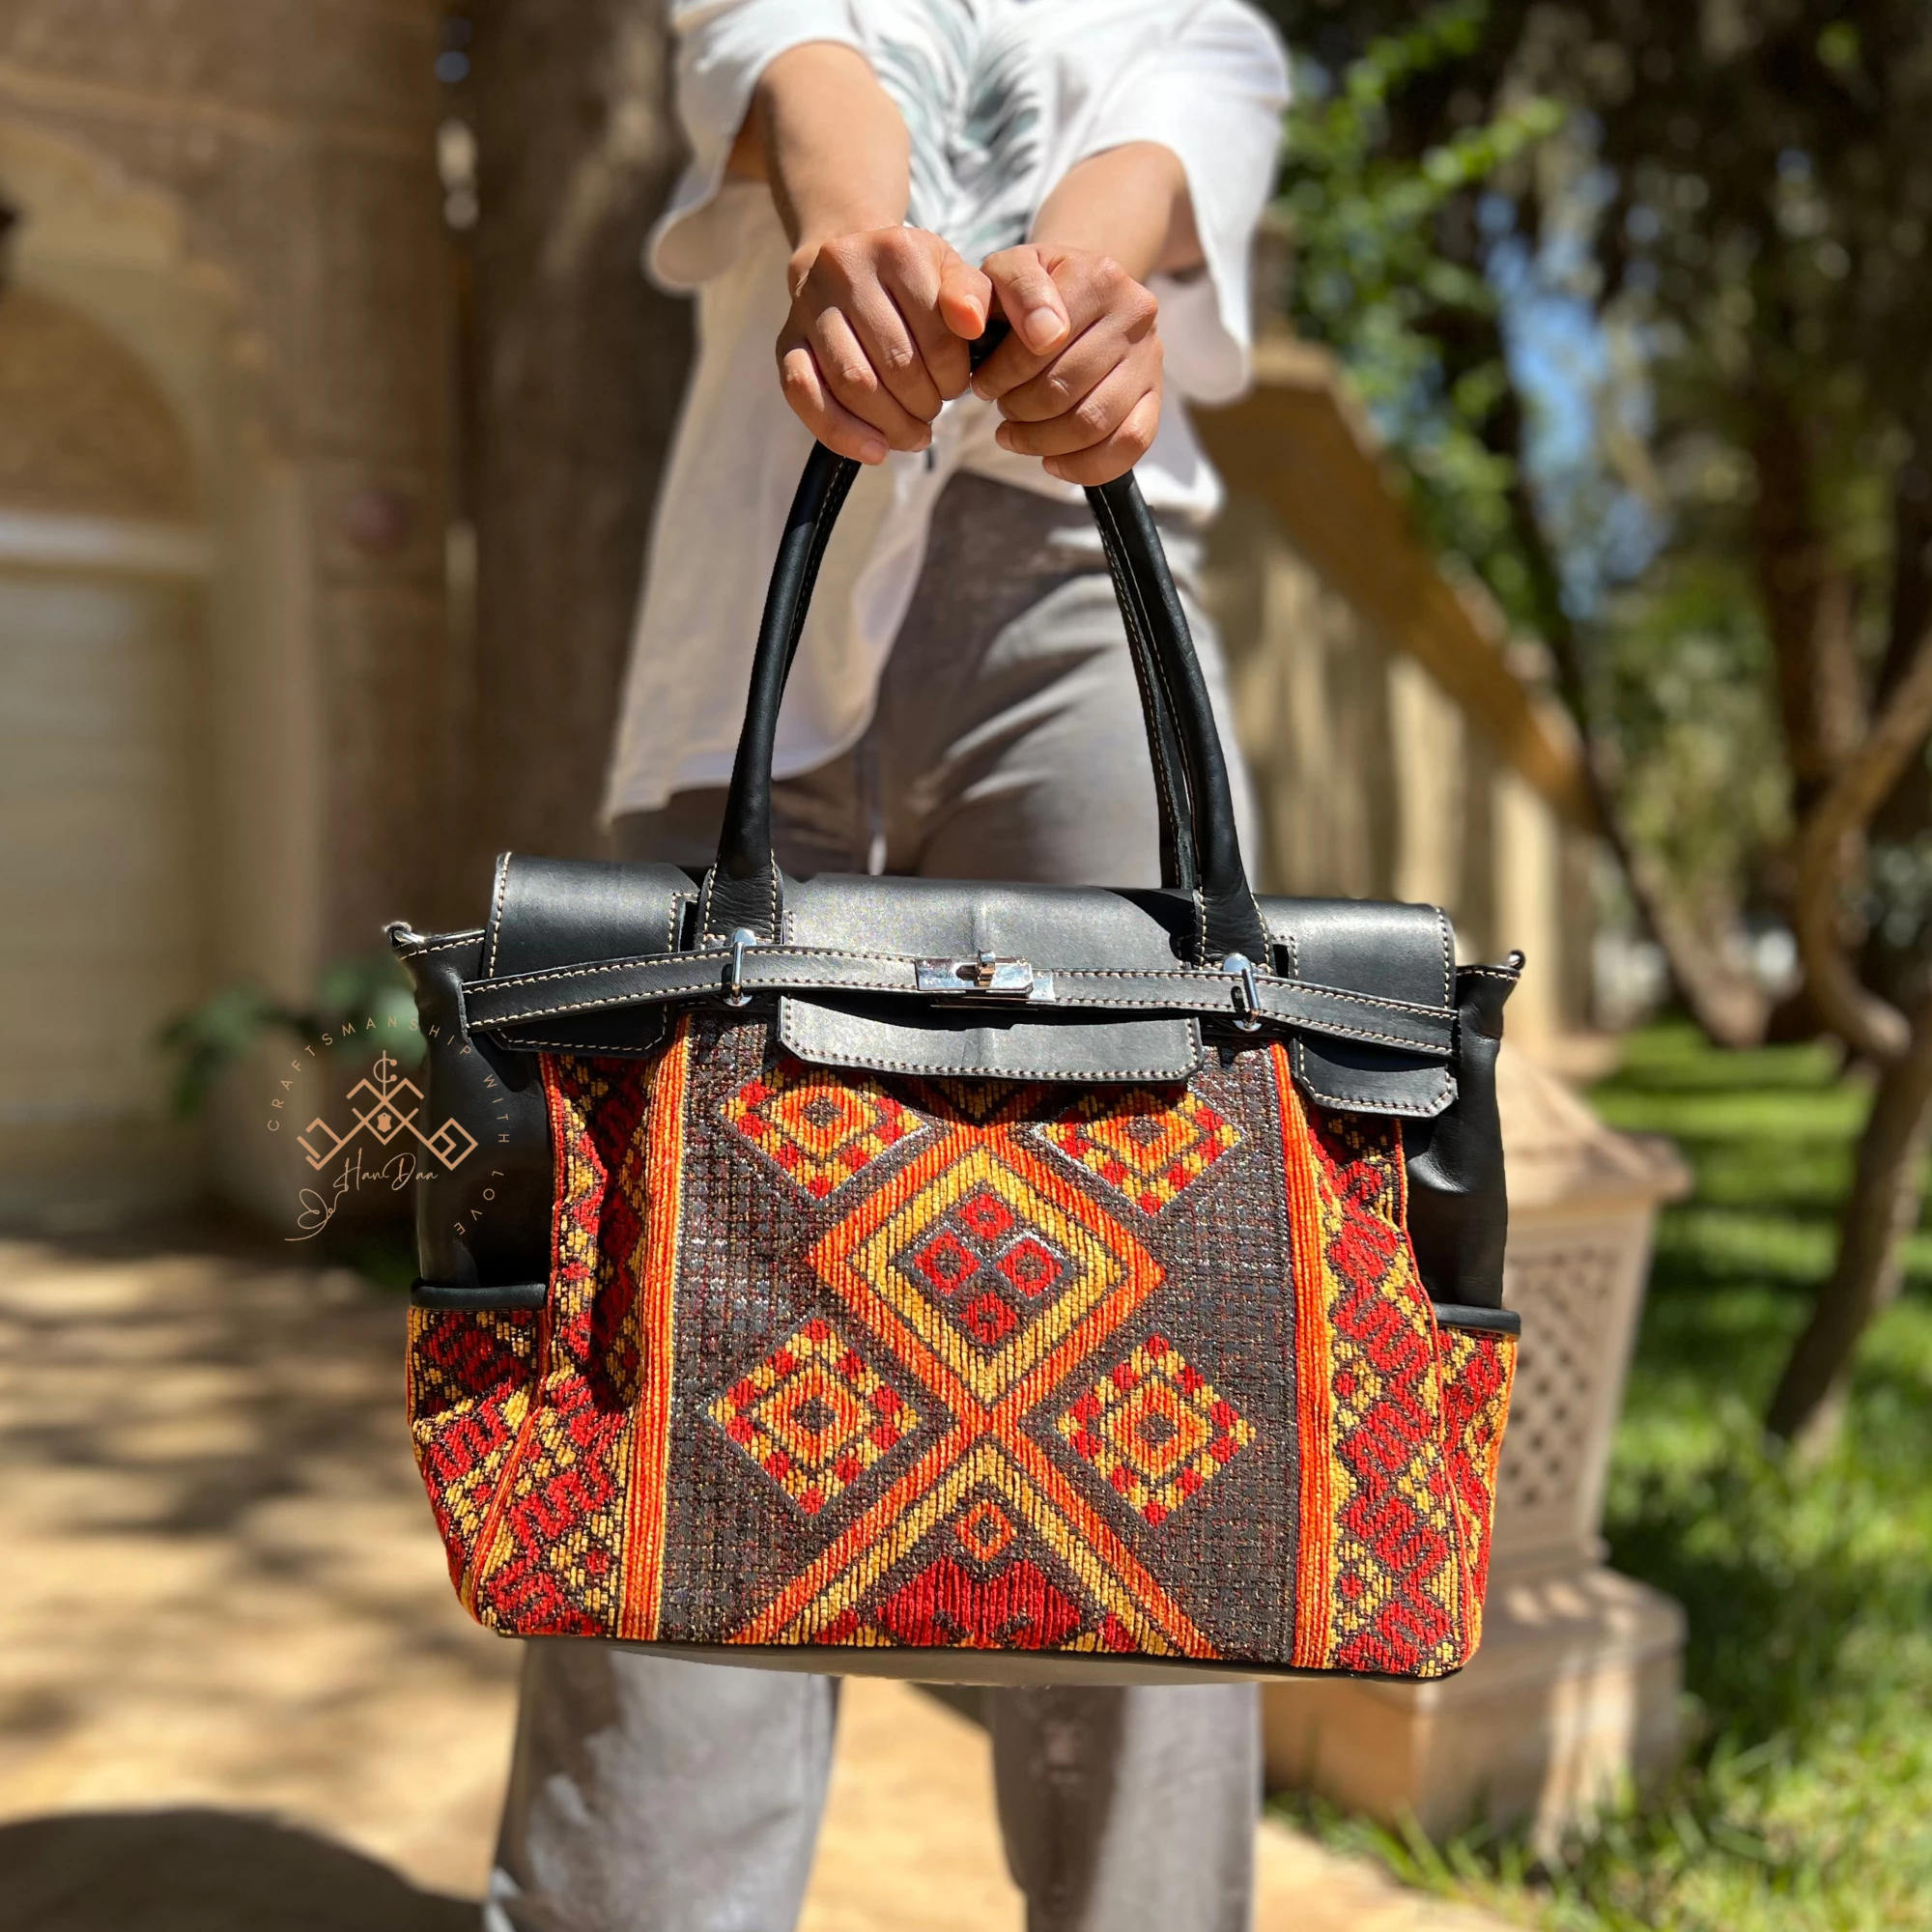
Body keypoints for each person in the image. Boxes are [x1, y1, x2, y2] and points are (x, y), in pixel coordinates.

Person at [487, 5, 1290, 1929]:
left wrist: (1077, 311)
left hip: (1077, 626)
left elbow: (1145, 189)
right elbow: (777, 76)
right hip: (752, 622)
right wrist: (850, 246)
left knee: (1163, 1345)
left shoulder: (1219, 35)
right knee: (680, 1353)